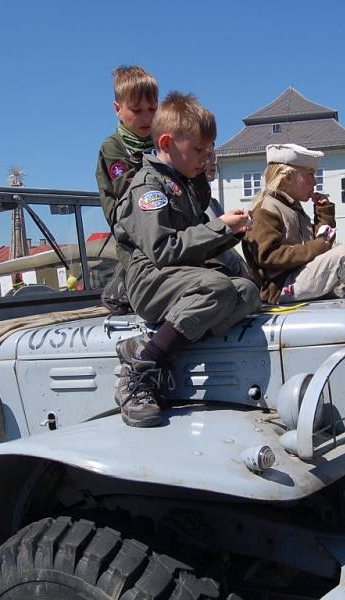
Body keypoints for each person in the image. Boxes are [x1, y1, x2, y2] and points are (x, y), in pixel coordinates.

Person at [112, 92, 260, 427]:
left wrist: (229, 233)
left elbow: (191, 247)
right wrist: (218, 228)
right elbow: (163, 250)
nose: (205, 158)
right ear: (167, 142)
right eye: (198, 150)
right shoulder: (149, 186)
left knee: (247, 293)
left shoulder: (184, 185)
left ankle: (154, 344)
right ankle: (141, 370)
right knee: (217, 288)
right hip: (150, 280)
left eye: (208, 150)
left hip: (179, 279)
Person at [242, 143, 345, 304]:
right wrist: (321, 246)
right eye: (309, 175)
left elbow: (319, 241)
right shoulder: (266, 209)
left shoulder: (292, 207)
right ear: (288, 177)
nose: (314, 182)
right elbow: (269, 256)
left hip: (301, 275)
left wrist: (323, 212)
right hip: (281, 286)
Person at [95, 65, 158, 228]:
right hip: (134, 242)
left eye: (152, 109)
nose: (146, 117)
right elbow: (132, 193)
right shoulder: (113, 147)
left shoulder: (162, 143)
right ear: (118, 109)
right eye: (136, 110)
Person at [202, 143, 251, 279]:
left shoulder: (213, 203)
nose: (214, 162)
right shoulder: (194, 203)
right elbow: (212, 249)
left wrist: (241, 266)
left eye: (215, 156)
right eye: (208, 156)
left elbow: (226, 247)